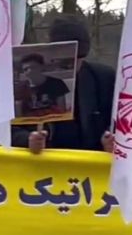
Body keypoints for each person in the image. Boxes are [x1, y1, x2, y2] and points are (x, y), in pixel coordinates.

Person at [15, 16, 116, 152]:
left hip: (88, 162)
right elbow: (2, 128)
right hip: (42, 163)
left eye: (78, 60)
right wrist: (27, 140)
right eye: (66, 61)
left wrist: (110, 141)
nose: (73, 66)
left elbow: (117, 122)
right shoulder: (21, 86)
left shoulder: (103, 78)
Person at [15, 53, 70, 118]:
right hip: (30, 122)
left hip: (53, 120)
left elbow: (62, 110)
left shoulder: (56, 83)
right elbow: (18, 114)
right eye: (26, 69)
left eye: (33, 67)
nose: (29, 71)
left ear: (41, 67)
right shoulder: (20, 87)